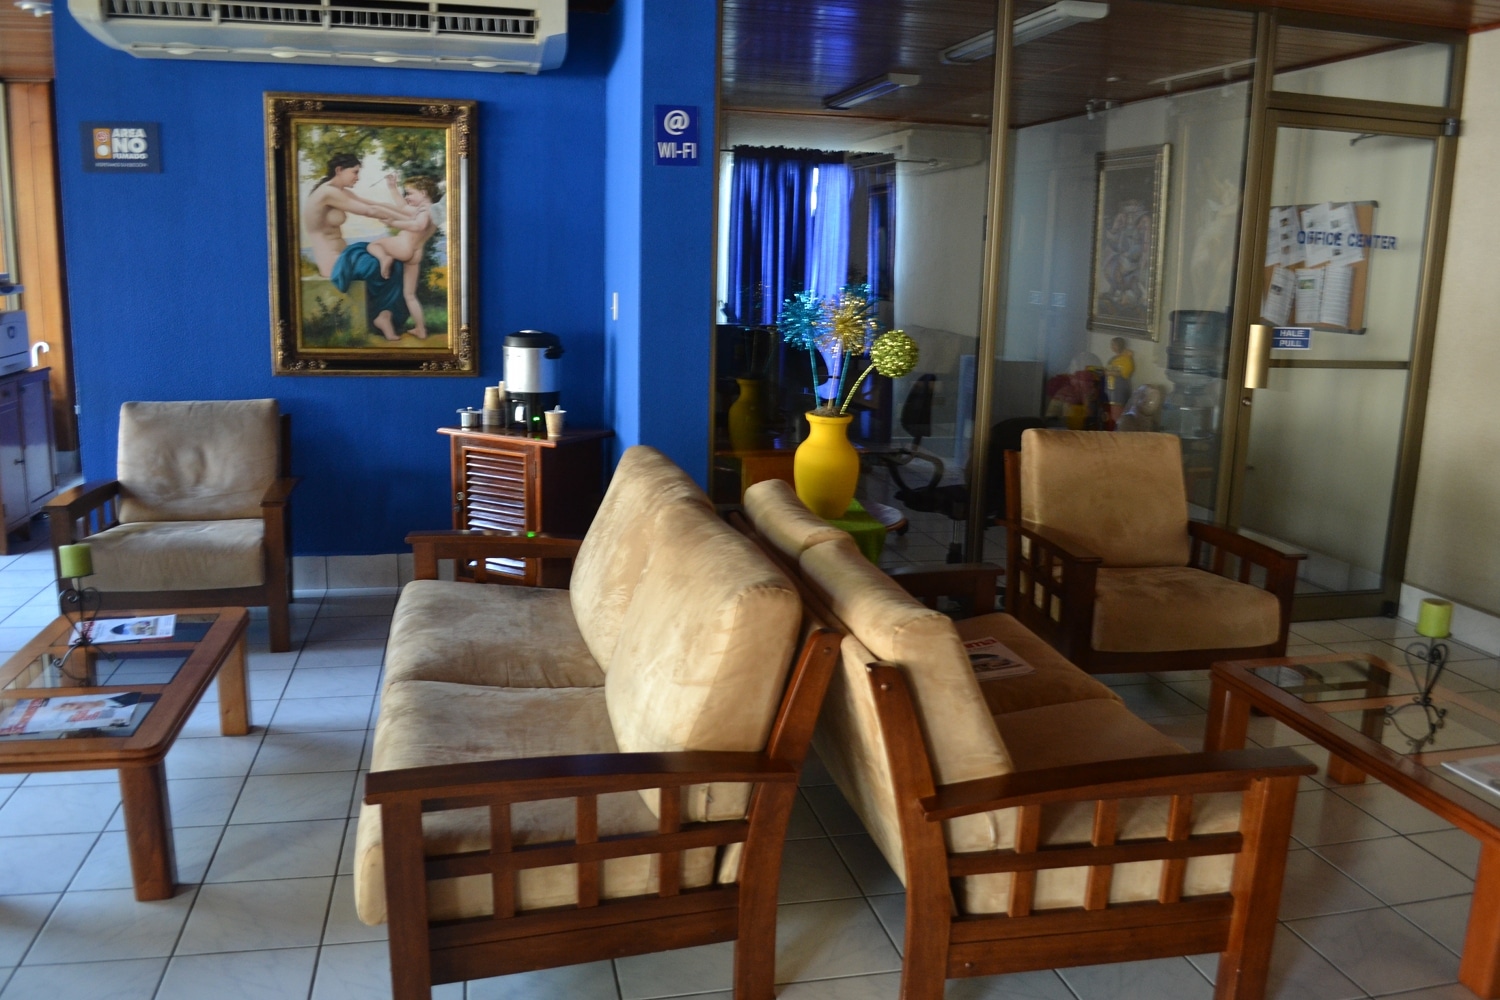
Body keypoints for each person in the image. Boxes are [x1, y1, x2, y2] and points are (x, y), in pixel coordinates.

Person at [302, 153, 413, 342]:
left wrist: (411, 217)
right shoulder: (327, 192)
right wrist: (411, 222)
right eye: (355, 172)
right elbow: (370, 211)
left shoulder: (338, 191)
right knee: (388, 262)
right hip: (335, 264)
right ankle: (382, 316)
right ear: (339, 170)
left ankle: (384, 315)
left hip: (346, 256)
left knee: (393, 258)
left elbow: (374, 204)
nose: (358, 177)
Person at [366, 174, 442, 340]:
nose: (407, 197)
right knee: (410, 295)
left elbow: (418, 225)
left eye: (410, 193)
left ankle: (384, 258)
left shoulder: (425, 210)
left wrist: (393, 223)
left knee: (373, 245)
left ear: (423, 193)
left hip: (404, 246)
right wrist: (392, 187)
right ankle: (420, 329)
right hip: (416, 254)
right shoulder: (431, 210)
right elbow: (403, 207)